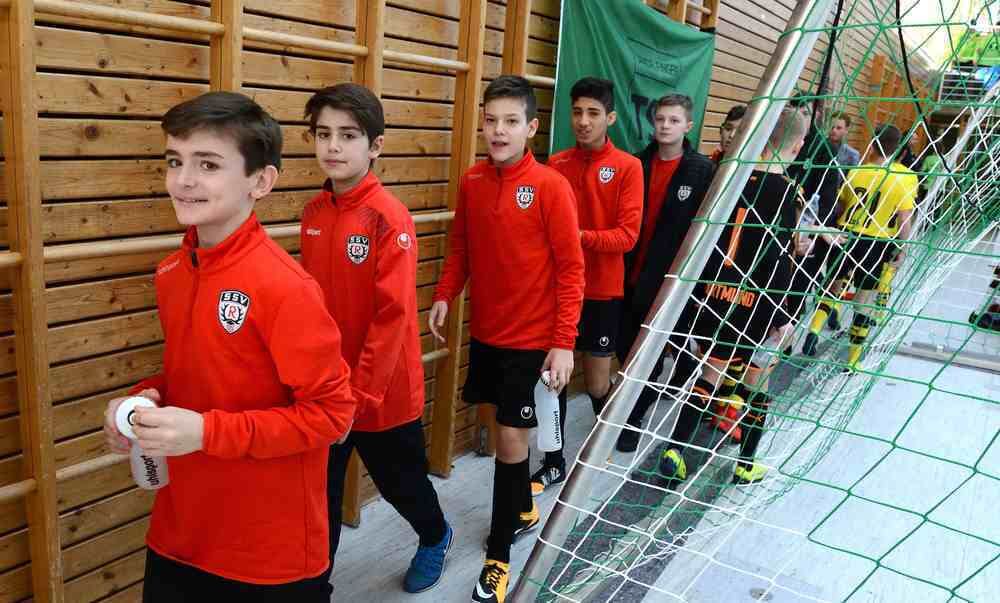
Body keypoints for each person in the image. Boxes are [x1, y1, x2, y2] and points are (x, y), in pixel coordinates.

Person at [102, 91, 357, 602]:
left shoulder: (286, 287)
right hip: (180, 534)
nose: (184, 179)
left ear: (260, 181)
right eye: (175, 161)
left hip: (266, 554)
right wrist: (145, 399)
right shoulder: (172, 272)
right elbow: (198, 374)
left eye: (208, 164)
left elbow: (332, 415)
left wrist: (205, 431)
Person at [429, 75, 585, 603]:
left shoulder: (550, 187)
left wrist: (563, 343)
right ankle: (522, 508)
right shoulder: (473, 181)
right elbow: (461, 250)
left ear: (532, 128)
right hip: (488, 335)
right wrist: (446, 294)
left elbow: (571, 269)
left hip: (532, 340)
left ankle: (499, 556)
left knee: (511, 443)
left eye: (510, 121)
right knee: (500, 430)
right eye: (491, 119)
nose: (498, 130)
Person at [299, 83, 452, 594]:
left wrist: (358, 399)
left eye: (348, 135)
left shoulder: (388, 217)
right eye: (323, 134)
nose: (333, 147)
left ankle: (436, 536)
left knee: (400, 485)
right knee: (317, 495)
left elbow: (392, 319)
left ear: (375, 146)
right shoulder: (314, 215)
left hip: (381, 394)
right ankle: (315, 587)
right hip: (327, 390)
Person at [656, 106, 807, 487]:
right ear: (798, 145)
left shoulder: (729, 177)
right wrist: (785, 312)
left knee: (709, 373)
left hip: (714, 295)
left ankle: (675, 449)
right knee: (759, 380)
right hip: (755, 302)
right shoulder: (786, 191)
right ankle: (746, 463)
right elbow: (778, 259)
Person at [538, 77, 643, 494]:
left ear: (610, 118)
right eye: (577, 112)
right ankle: (552, 461)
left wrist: (576, 237)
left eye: (593, 113)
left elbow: (627, 236)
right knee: (551, 378)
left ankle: (605, 441)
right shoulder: (556, 164)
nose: (583, 121)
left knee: (598, 383)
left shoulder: (628, 167)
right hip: (560, 291)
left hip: (602, 291)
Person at [614, 93, 716, 453]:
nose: (665, 126)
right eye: (660, 119)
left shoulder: (701, 170)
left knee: (650, 355)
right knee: (625, 347)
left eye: (673, 120)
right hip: (628, 273)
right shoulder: (636, 164)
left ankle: (632, 419)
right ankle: (677, 370)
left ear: (688, 126)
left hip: (668, 281)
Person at [803, 124, 917, 369]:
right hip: (876, 242)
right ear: (898, 150)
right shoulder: (902, 178)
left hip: (846, 235)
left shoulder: (856, 172)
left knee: (833, 286)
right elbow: (904, 218)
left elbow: (842, 206)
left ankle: (813, 330)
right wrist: (903, 247)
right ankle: (853, 362)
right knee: (863, 302)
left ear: (872, 144)